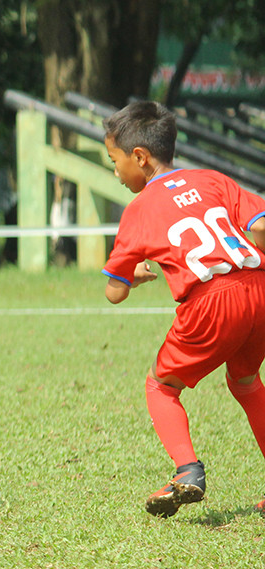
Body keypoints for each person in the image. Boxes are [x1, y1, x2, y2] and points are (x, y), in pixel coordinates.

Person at [101, 100, 265, 518]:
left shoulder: (138, 210)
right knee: (246, 382)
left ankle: (187, 470)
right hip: (260, 289)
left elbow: (113, 292)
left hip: (209, 302)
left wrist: (130, 279)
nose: (115, 171)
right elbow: (260, 227)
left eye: (114, 160)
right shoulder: (212, 179)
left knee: (161, 386)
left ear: (140, 156)